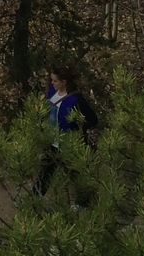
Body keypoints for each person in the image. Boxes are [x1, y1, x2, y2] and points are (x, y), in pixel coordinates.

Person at [35, 65, 99, 196]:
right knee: (46, 171)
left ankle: (84, 202)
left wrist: (79, 125)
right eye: (51, 80)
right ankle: (36, 197)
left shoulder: (75, 99)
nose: (52, 83)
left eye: (55, 81)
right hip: (52, 141)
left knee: (75, 174)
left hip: (69, 143)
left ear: (64, 82)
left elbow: (92, 119)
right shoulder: (51, 93)